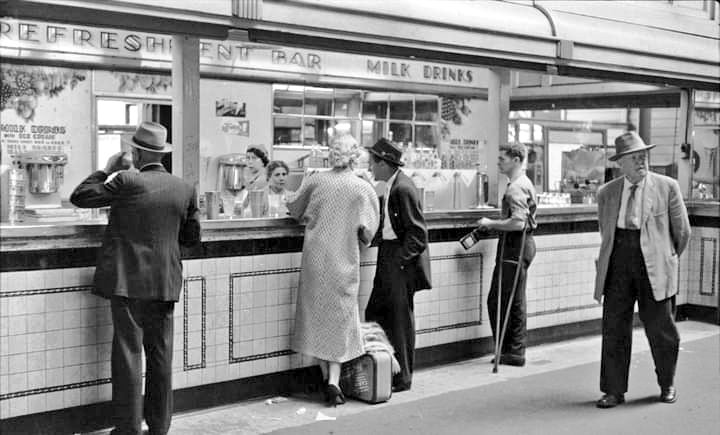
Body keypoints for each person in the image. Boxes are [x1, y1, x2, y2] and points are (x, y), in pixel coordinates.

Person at [70, 121, 201, 435]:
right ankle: (159, 426)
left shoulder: (127, 181)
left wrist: (105, 170)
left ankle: (128, 428)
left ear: (137, 153)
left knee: (129, 354)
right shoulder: (184, 187)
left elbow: (81, 196)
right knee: (160, 355)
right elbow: (192, 237)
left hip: (128, 283)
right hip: (165, 282)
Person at [594, 131, 691, 409]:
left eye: (643, 156)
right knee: (614, 328)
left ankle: (666, 384)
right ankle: (613, 390)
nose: (641, 162)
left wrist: (667, 259)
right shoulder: (607, 193)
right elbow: (606, 232)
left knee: (662, 329)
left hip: (655, 264)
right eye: (634, 158)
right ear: (620, 163)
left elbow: (682, 232)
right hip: (618, 263)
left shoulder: (667, 186)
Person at [286, 133, 379, 406]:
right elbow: (368, 232)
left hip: (316, 260)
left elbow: (294, 208)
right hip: (344, 262)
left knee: (317, 318)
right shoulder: (362, 188)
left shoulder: (315, 181)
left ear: (330, 153)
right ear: (355, 156)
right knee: (339, 320)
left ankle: (327, 379)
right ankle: (333, 382)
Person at [364, 137, 432, 392]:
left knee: (399, 321)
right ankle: (388, 370)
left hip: (398, 261)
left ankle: (402, 377)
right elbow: (391, 227)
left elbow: (418, 234)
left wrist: (400, 263)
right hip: (389, 255)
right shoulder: (392, 186)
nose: (370, 168)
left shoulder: (403, 188)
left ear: (384, 164)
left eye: (373, 163)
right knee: (377, 314)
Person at [476, 142, 537, 367]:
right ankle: (515, 350)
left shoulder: (515, 188)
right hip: (521, 245)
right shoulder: (523, 182)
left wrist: (490, 223)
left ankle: (511, 350)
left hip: (515, 245)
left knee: (500, 300)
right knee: (515, 299)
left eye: (503, 159)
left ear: (516, 160)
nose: (499, 162)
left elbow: (518, 223)